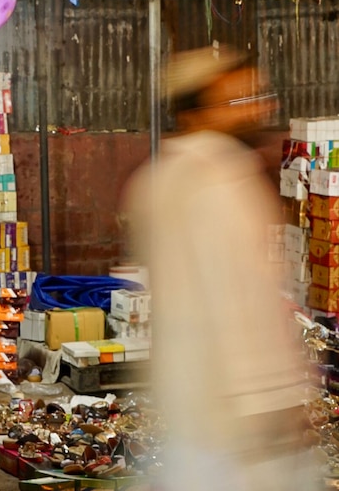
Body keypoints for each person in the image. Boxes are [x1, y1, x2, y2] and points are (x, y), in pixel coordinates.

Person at [121, 45, 315, 491]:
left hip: (194, 407)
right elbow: (234, 304)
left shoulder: (160, 177)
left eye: (257, 97)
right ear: (196, 112)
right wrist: (269, 401)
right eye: (239, 101)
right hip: (237, 423)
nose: (258, 109)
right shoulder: (217, 184)